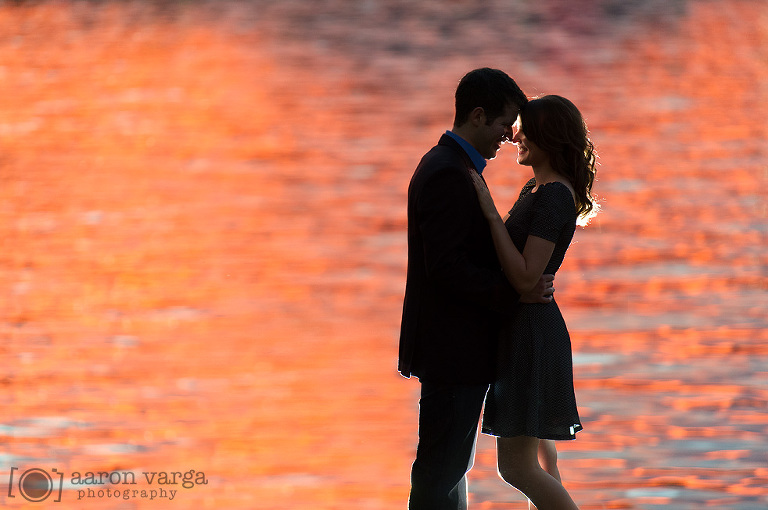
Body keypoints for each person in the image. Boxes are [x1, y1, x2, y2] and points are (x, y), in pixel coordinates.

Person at [398, 68, 555, 510]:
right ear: (479, 115)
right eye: (506, 125)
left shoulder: (453, 165)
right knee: (438, 473)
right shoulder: (449, 172)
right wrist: (515, 294)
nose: (509, 138)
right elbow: (447, 268)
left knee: (450, 470)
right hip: (453, 351)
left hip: (454, 350)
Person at [469, 94, 598, 510]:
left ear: (550, 136)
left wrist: (489, 213)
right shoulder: (536, 188)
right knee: (543, 458)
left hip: (532, 334)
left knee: (517, 468)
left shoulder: (554, 195)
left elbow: (526, 275)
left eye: (524, 128)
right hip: (524, 328)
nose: (515, 135)